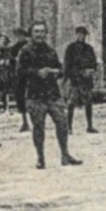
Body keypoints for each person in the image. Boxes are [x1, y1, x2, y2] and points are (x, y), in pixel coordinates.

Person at [16, 21, 82, 168]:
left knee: (62, 124)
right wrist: (36, 72)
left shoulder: (50, 51)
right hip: (35, 95)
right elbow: (20, 72)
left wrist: (53, 71)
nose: (40, 34)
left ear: (46, 33)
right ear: (31, 34)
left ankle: (65, 155)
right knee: (39, 128)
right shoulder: (25, 51)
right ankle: (40, 158)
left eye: (42, 31)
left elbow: (60, 69)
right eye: (36, 32)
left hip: (53, 94)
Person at [62, 26, 99, 134]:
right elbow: (67, 64)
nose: (81, 36)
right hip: (75, 80)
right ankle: (69, 127)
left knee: (88, 103)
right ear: (76, 34)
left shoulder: (89, 48)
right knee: (71, 104)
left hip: (87, 80)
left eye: (83, 34)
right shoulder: (70, 48)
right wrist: (74, 75)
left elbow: (94, 62)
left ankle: (90, 126)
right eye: (79, 34)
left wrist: (90, 70)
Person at [9, 27, 31, 131]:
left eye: (20, 35)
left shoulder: (30, 46)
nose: (19, 37)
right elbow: (11, 62)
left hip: (31, 74)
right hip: (20, 75)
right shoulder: (14, 48)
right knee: (20, 98)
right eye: (17, 35)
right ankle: (25, 121)